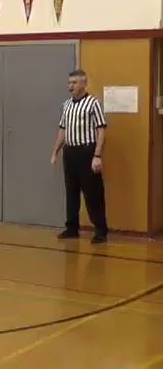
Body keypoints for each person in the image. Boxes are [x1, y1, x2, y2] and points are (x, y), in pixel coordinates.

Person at [52, 69, 109, 243]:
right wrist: (55, 151)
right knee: (71, 192)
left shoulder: (93, 103)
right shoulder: (66, 105)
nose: (71, 86)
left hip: (87, 152)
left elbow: (101, 129)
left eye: (75, 83)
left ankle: (100, 230)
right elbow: (63, 130)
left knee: (93, 193)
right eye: (69, 83)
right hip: (70, 153)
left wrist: (97, 155)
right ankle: (71, 228)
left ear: (84, 84)